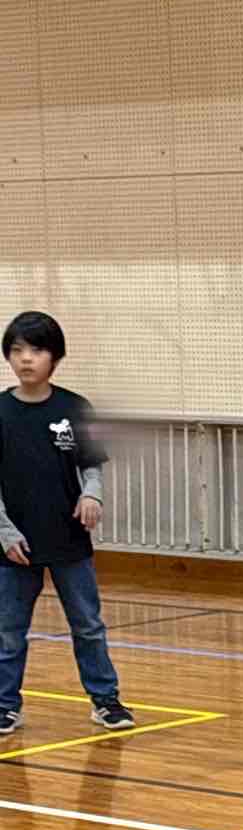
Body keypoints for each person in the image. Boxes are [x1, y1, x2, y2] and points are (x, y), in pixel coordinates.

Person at [0, 311, 134, 735]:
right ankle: (5, 705)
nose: (26, 359)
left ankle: (106, 700)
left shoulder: (74, 408)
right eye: (17, 350)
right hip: (13, 547)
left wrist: (92, 494)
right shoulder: (0, 410)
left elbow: (91, 465)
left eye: (36, 350)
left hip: (68, 540)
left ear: (55, 357)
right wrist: (4, 532)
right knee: (7, 631)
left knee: (88, 625)